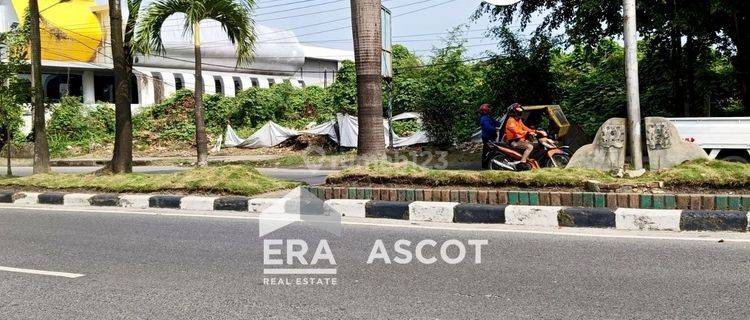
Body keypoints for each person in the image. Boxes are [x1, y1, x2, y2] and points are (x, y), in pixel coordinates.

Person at [479, 103, 500, 169]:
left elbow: (496, 123)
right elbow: (488, 128)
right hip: (488, 138)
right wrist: (495, 129)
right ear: (486, 110)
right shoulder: (484, 118)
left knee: (488, 151)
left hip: (489, 137)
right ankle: (485, 166)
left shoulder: (488, 117)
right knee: (488, 152)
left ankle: (486, 166)